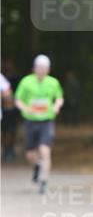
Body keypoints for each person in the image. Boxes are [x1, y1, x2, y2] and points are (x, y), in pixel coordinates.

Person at [14, 55, 64, 194]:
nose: (41, 70)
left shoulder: (53, 82)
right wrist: (25, 108)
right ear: (34, 68)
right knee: (30, 154)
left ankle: (44, 182)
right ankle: (37, 166)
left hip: (46, 121)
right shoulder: (26, 81)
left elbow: (59, 97)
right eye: (39, 67)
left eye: (44, 68)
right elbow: (18, 100)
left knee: (45, 150)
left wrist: (56, 106)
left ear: (48, 69)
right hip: (30, 121)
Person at [1, 58, 20, 161]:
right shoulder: (2, 77)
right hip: (3, 109)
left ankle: (11, 149)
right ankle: (5, 150)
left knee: (13, 130)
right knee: (4, 131)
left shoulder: (15, 78)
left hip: (13, 109)